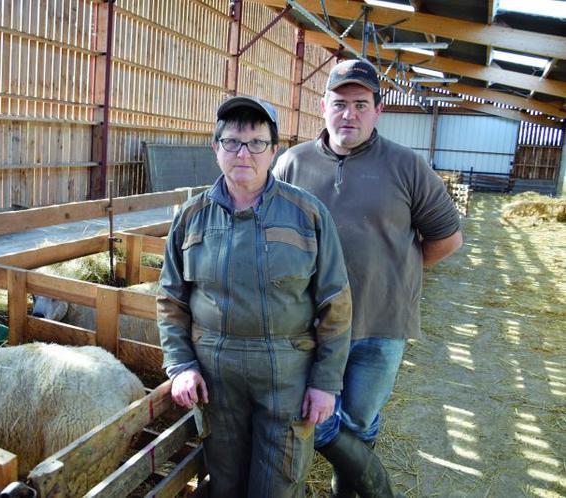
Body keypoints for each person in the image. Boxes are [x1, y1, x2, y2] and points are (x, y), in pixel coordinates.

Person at [274, 59, 464, 498]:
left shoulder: (407, 166)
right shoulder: (292, 164)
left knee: (360, 419)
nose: (349, 115)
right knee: (311, 419)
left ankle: (350, 491)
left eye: (361, 104)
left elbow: (447, 239)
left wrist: (396, 275)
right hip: (308, 324)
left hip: (380, 325)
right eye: (340, 104)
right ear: (323, 106)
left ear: (378, 110)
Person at [157, 95, 353, 497]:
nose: (243, 153)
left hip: (286, 373)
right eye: (231, 142)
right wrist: (179, 365)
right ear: (216, 150)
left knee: (278, 484)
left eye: (256, 143)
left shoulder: (308, 215)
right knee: (224, 481)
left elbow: (336, 304)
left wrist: (326, 383)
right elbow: (170, 300)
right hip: (216, 375)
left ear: (274, 151)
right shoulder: (190, 217)